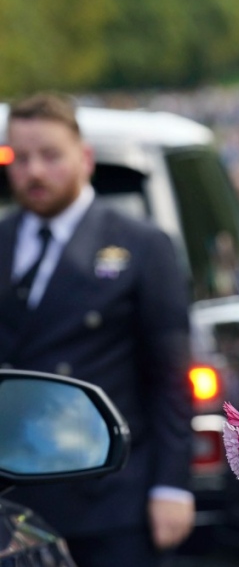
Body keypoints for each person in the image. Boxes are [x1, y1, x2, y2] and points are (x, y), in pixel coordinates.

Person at [0, 93, 195, 567]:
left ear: (84, 158)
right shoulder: (3, 241)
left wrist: (172, 486)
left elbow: (170, 377)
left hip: (109, 494)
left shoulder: (141, 244)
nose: (35, 172)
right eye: (20, 158)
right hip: (14, 495)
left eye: (50, 155)